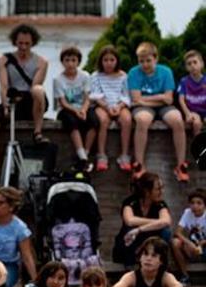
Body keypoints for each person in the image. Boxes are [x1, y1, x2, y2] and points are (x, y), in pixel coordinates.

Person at [0, 24, 49, 188]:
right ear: (15, 42)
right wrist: (6, 104)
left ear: (32, 43)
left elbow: (36, 85)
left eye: (27, 44)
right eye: (20, 43)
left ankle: (38, 131)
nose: (23, 47)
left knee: (38, 90)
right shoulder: (4, 60)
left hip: (31, 99)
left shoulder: (41, 62)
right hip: (11, 97)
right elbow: (4, 86)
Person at [127, 41, 188, 182]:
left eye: (148, 60)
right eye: (141, 61)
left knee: (177, 120)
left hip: (161, 106)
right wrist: (160, 97)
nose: (145, 64)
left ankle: (181, 165)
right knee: (142, 120)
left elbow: (169, 99)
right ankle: (139, 164)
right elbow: (135, 99)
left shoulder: (166, 71)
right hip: (145, 108)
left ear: (156, 58)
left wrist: (146, 99)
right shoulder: (134, 73)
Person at [0, 187, 37, 287]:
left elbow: (27, 257)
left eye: (0, 203)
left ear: (11, 207)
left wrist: (35, 281)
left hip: (7, 266)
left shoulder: (20, 229)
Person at [53, 46, 99, 171]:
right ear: (62, 62)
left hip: (82, 107)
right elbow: (62, 102)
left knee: (94, 121)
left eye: (73, 60)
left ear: (78, 62)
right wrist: (75, 111)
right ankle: (82, 157)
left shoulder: (85, 76)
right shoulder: (58, 79)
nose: (70, 64)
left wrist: (83, 110)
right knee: (71, 122)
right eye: (67, 60)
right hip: (67, 109)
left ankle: (86, 152)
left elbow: (87, 96)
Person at [112, 172, 171, 267]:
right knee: (129, 231)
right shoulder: (130, 202)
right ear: (147, 191)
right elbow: (130, 221)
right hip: (131, 242)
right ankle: (130, 266)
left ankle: (160, 264)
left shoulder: (160, 204)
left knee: (166, 232)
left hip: (150, 240)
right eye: (158, 189)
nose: (161, 192)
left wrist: (139, 229)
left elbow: (166, 221)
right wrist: (157, 222)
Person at [88, 45, 132, 172]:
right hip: (102, 104)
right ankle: (101, 155)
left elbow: (126, 95)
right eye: (105, 60)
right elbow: (95, 95)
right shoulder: (96, 76)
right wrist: (107, 107)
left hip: (119, 104)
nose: (109, 63)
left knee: (127, 119)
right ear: (101, 61)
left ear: (117, 60)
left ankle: (124, 155)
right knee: (103, 120)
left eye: (112, 60)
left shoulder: (123, 76)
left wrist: (119, 106)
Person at [110, 237, 183, 287]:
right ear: (140, 258)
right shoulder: (131, 276)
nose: (148, 259)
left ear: (162, 261)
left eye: (154, 255)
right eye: (145, 254)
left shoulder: (166, 277)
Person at [171, 188, 206, 286]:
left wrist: (201, 243)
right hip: (191, 247)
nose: (195, 206)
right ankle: (185, 276)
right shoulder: (188, 212)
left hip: (204, 245)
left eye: (199, 203)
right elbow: (177, 232)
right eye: (192, 203)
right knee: (175, 242)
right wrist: (189, 243)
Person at [178, 49, 206, 138]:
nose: (192, 65)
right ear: (186, 67)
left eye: (195, 62)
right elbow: (181, 99)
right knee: (197, 123)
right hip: (193, 111)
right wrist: (187, 113)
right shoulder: (184, 81)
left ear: (201, 64)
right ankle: (199, 148)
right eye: (189, 64)